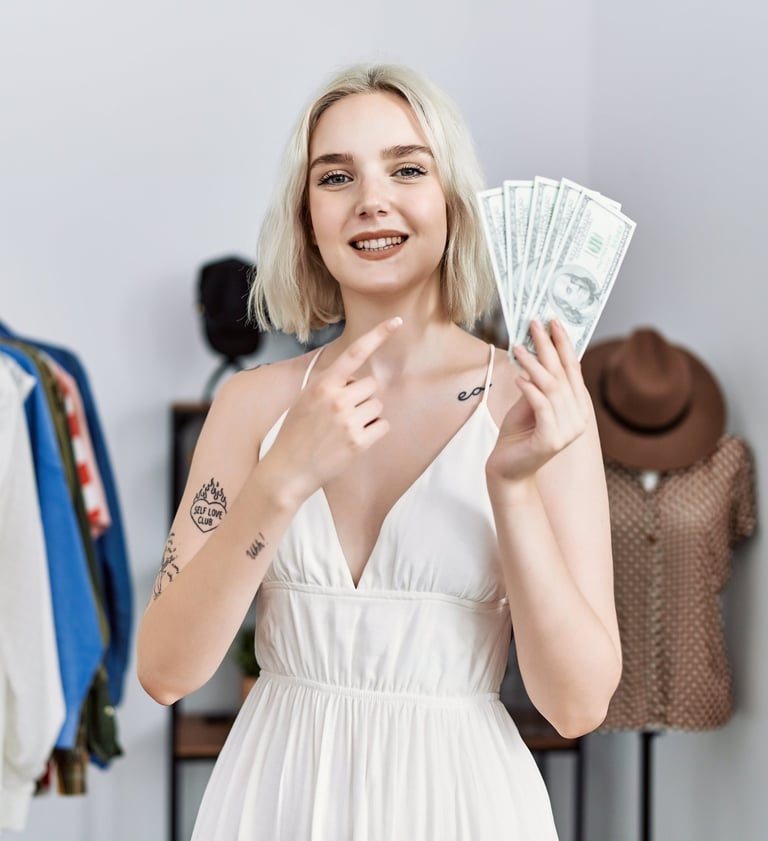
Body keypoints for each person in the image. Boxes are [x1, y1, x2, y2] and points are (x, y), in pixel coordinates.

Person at [137, 63, 621, 840]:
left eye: (407, 168)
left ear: (452, 201)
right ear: (306, 218)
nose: (372, 199)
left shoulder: (534, 404)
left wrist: (515, 490)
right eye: (336, 176)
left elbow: (577, 705)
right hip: (273, 800)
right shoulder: (250, 406)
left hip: (462, 805)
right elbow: (164, 671)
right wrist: (280, 477)